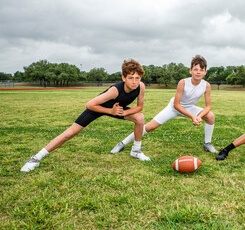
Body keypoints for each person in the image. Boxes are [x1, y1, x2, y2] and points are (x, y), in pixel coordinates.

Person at [21, 59, 149, 173]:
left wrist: (124, 112)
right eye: (131, 78)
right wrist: (110, 111)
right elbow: (90, 104)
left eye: (137, 78)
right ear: (123, 78)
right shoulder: (114, 90)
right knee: (70, 133)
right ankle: (36, 158)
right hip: (98, 108)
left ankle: (136, 150)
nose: (134, 81)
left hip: (116, 109)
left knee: (140, 117)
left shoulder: (141, 87)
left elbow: (139, 107)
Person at [110, 55, 218, 154]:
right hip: (174, 108)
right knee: (150, 127)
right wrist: (192, 117)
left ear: (205, 72)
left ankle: (207, 144)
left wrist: (198, 116)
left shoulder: (206, 85)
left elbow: (208, 106)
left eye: (201, 70)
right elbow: (176, 105)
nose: (198, 72)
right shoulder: (183, 82)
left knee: (210, 116)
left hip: (189, 108)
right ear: (190, 71)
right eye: (195, 69)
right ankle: (122, 143)